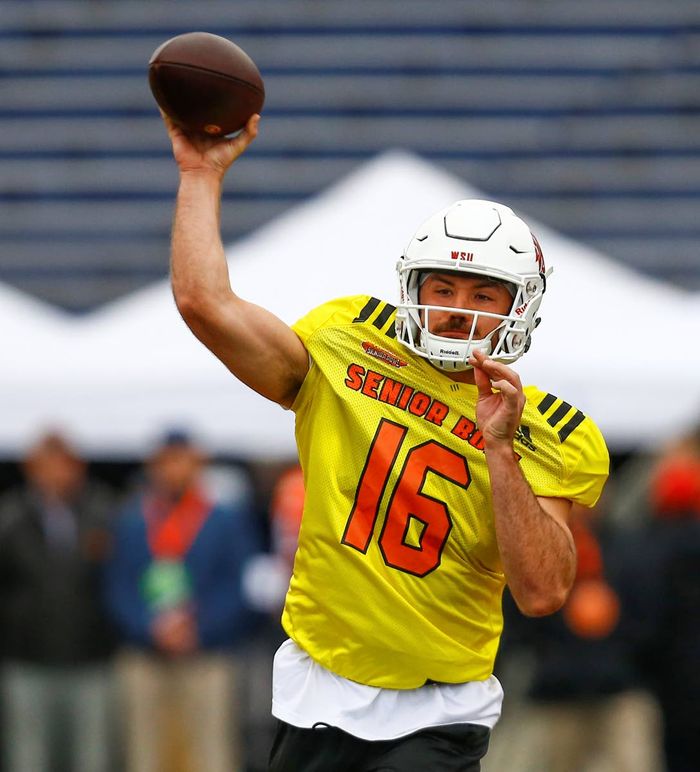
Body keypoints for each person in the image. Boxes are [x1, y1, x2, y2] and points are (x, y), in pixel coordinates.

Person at [162, 112, 609, 772]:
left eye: (483, 294)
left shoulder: (549, 429)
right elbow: (206, 303)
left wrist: (500, 449)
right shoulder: (348, 340)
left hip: (439, 708)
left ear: (520, 307)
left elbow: (542, 593)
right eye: (442, 287)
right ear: (411, 287)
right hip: (318, 684)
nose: (457, 309)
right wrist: (200, 175)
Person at [104, 430, 261, 772]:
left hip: (207, 655)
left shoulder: (223, 519)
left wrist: (198, 629)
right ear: (153, 466)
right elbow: (118, 585)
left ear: (197, 464)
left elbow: (238, 586)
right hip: (146, 657)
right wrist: (150, 629)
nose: (173, 469)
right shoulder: (133, 520)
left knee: (211, 752)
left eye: (181, 460)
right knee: (145, 752)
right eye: (166, 461)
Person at [0, 431, 117, 772]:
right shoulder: (10, 518)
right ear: (30, 470)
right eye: (45, 465)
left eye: (62, 465)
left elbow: (119, 581)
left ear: (78, 468)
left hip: (91, 658)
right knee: (28, 756)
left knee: (91, 756)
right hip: (27, 659)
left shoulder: (103, 513)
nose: (54, 474)